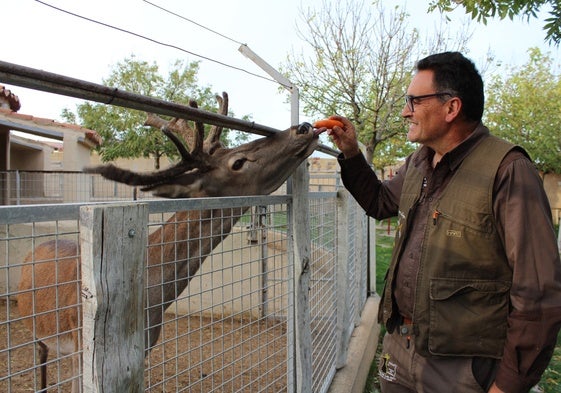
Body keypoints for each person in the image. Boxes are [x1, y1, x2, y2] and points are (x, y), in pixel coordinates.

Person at [322, 51, 561, 393]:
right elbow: (379, 201)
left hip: (462, 368)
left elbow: (538, 293)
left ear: (452, 108)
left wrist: (507, 385)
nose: (406, 111)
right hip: (400, 348)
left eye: (414, 101)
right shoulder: (419, 162)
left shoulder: (508, 170)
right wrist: (351, 151)